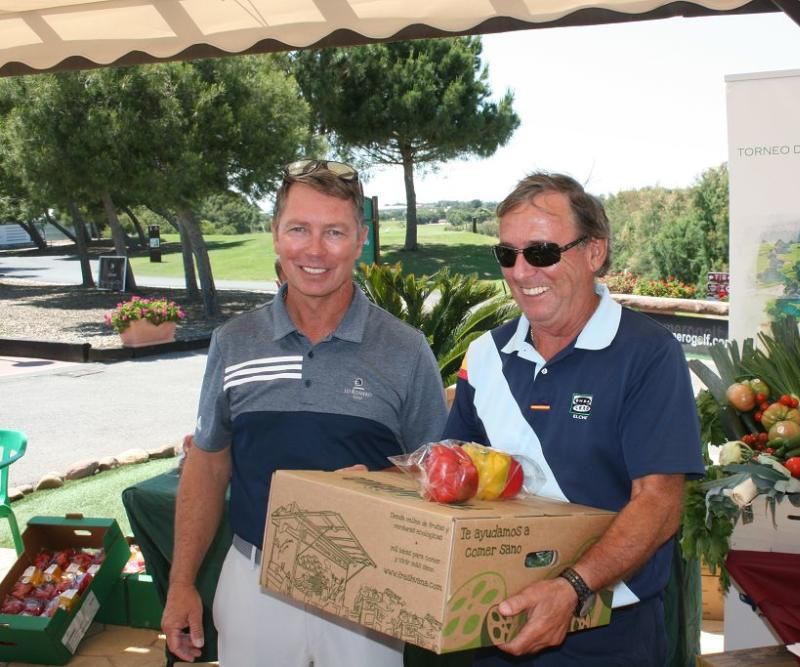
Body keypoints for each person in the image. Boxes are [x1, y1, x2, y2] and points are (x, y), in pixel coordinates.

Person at [162, 159, 448, 666]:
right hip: (253, 581)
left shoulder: (406, 350)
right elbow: (208, 466)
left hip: (369, 592)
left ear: (361, 240)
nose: (314, 250)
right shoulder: (233, 343)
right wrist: (181, 583)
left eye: (334, 232)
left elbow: (438, 473)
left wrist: (379, 487)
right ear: (276, 235)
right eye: (299, 229)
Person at [443, 173, 704, 665]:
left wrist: (571, 588)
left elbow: (660, 505)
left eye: (540, 252)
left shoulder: (648, 355)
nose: (521, 272)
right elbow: (456, 474)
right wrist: (378, 485)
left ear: (594, 252)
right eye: (507, 255)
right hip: (495, 623)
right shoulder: (486, 355)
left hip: (606, 630)